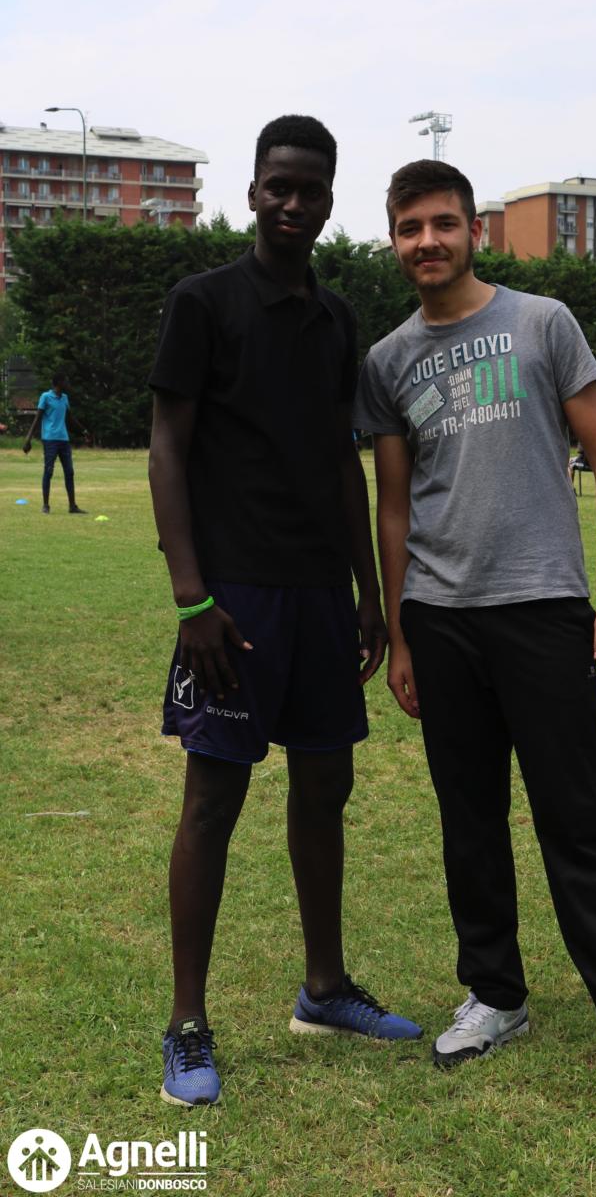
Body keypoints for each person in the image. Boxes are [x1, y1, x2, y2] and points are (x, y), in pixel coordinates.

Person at [353, 159, 596, 1116]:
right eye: (410, 227)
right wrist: (403, 633)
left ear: (475, 231)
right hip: (441, 619)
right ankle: (495, 995)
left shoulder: (543, 323)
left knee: (577, 821)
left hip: (543, 606)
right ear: (394, 239)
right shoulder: (387, 360)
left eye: (443, 223)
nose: (427, 241)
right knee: (469, 821)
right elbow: (392, 507)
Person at [148, 115, 422, 1108]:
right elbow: (167, 447)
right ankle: (186, 1023)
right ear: (254, 190)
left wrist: (368, 595)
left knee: (324, 786)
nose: (293, 203)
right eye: (279, 186)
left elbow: (341, 462)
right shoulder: (203, 302)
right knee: (212, 800)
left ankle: (324, 989)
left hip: (318, 596)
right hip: (234, 597)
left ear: (330, 198)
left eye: (311, 189)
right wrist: (193, 598)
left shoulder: (337, 319)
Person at [22, 371, 87, 513]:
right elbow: (37, 418)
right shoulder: (45, 397)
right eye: (66, 381)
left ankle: (72, 506)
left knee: (69, 472)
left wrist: (84, 431)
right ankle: (45, 505)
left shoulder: (65, 398)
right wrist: (28, 439)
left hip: (64, 440)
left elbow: (70, 418)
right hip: (50, 439)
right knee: (49, 471)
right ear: (59, 383)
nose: (68, 384)